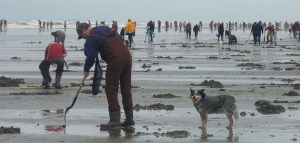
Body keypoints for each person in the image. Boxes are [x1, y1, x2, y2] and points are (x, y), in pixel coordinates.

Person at [76, 22, 134, 127]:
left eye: (82, 36)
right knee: (126, 88)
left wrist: (86, 69)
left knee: (111, 89)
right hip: (127, 56)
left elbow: (91, 56)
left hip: (115, 60)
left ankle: (114, 120)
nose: (83, 38)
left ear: (84, 30)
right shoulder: (105, 28)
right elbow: (119, 38)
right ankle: (130, 119)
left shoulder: (91, 37)